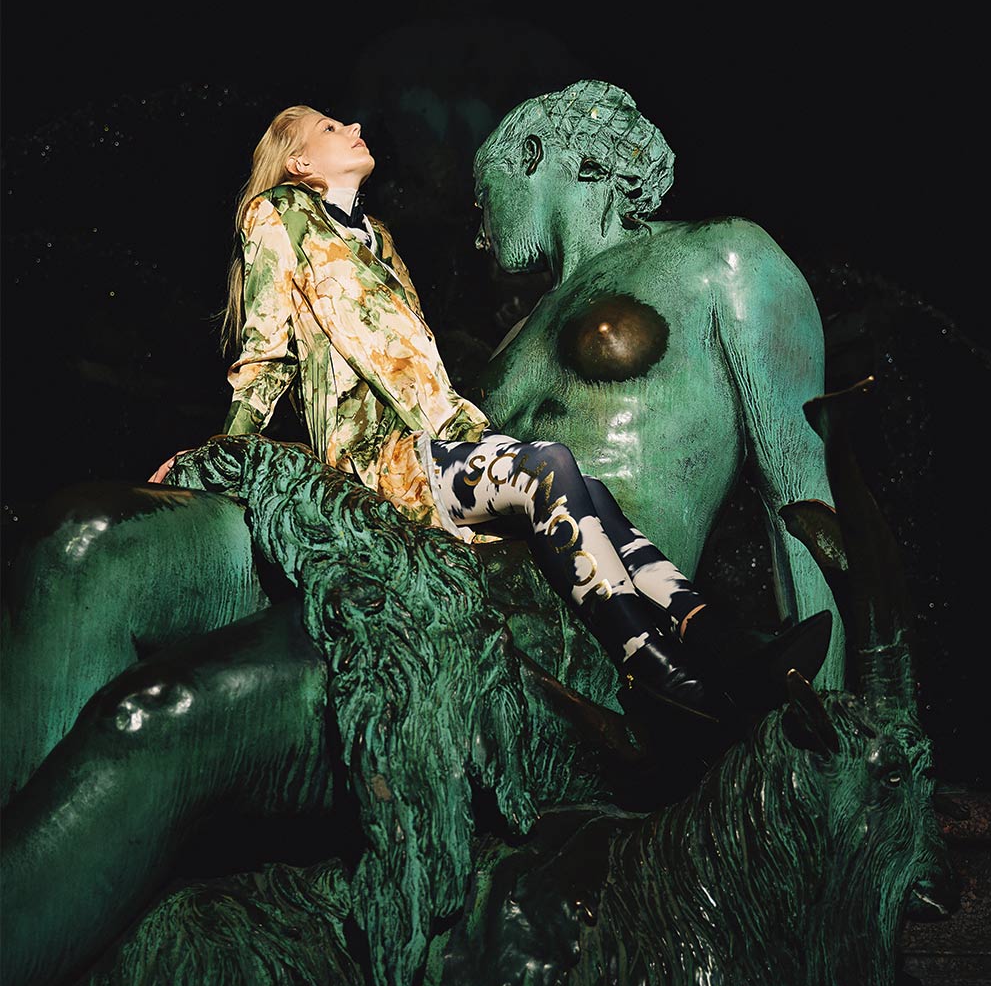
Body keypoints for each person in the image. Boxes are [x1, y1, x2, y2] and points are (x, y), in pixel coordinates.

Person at [185, 104, 831, 726]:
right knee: (548, 467)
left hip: (443, 442)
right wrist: (223, 453)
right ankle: (656, 667)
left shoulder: (379, 242)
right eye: (330, 126)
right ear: (298, 163)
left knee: (593, 494)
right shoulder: (279, 215)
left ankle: (721, 644)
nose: (351, 125)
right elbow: (265, 349)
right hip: (379, 456)